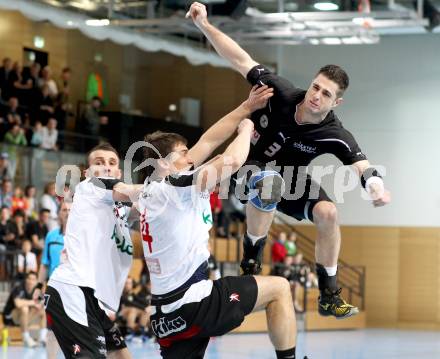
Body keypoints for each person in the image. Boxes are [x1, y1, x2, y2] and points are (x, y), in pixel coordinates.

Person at [187, 1, 391, 319]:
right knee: (269, 184)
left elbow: (361, 166)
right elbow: (240, 59)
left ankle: (329, 294)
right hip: (250, 171)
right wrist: (204, 25)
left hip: (293, 182)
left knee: (328, 213)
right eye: (316, 87)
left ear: (336, 101)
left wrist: (376, 187)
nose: (316, 96)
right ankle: (250, 262)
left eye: (326, 94)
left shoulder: (335, 133)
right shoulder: (280, 92)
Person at [139, 88, 306, 359]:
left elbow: (208, 140)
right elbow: (232, 160)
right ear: (163, 163)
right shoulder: (176, 185)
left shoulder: (150, 189)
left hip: (165, 317)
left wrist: (246, 107)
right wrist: (245, 130)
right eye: (183, 153)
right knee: (279, 289)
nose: (190, 157)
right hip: (194, 302)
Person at [36, 143, 142, 359]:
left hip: (93, 296)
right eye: (98, 163)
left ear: (119, 172)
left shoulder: (118, 205)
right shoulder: (89, 188)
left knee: (122, 355)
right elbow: (140, 193)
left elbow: (145, 210)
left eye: (111, 163)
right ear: (87, 173)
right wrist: (172, 185)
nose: (105, 167)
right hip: (71, 290)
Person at [35, 201, 71, 359]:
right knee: (51, 330)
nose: (67, 212)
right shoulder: (51, 236)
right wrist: (38, 286)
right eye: (64, 210)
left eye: (70, 210)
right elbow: (45, 264)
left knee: (75, 331)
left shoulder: (81, 237)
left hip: (74, 289)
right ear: (59, 215)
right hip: (54, 289)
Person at [2, 271, 47, 347]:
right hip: (10, 318)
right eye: (29, 279)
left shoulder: (36, 290)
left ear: (36, 281)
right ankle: (26, 338)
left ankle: (43, 338)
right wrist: (33, 302)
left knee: (43, 310)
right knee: (24, 308)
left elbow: (40, 302)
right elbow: (18, 303)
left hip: (24, 318)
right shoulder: (18, 287)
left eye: (33, 279)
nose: (30, 281)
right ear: (26, 279)